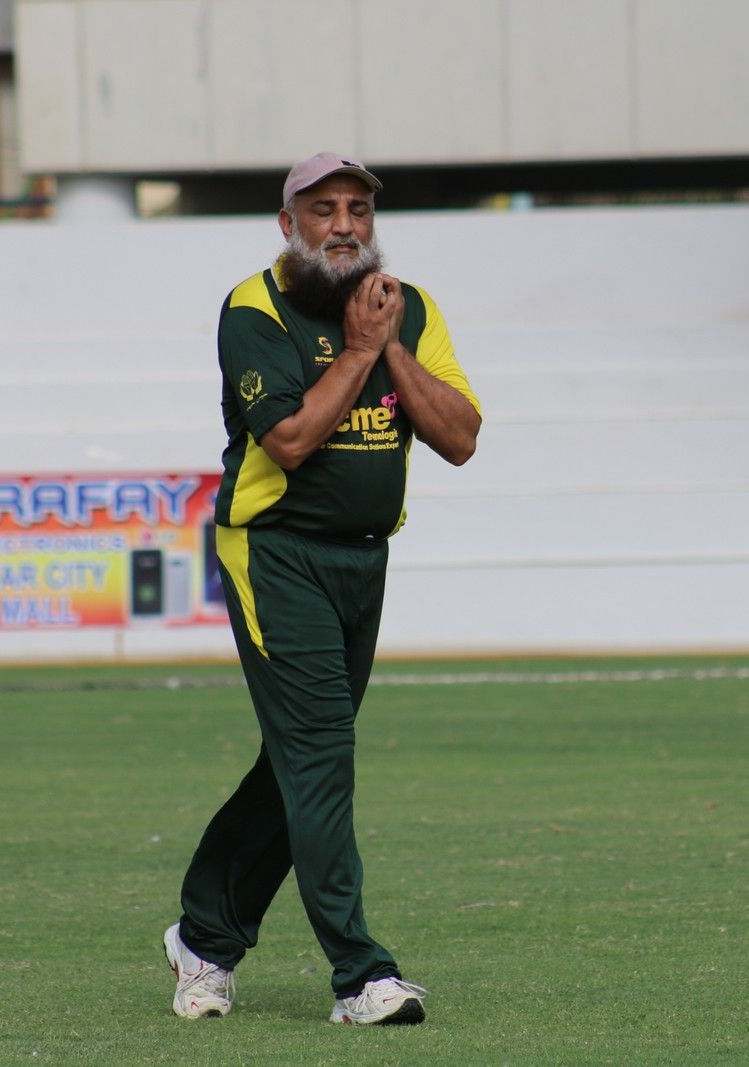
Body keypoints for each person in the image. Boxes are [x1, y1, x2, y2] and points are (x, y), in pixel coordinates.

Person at [163, 152, 482, 1026]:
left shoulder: (408, 308)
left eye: (358, 209)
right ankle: (359, 975)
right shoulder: (254, 309)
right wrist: (361, 349)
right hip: (275, 553)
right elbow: (293, 441)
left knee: (296, 763)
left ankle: (203, 937)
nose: (344, 224)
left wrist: (391, 346)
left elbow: (460, 437)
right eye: (323, 209)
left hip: (363, 558)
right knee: (320, 758)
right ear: (288, 224)